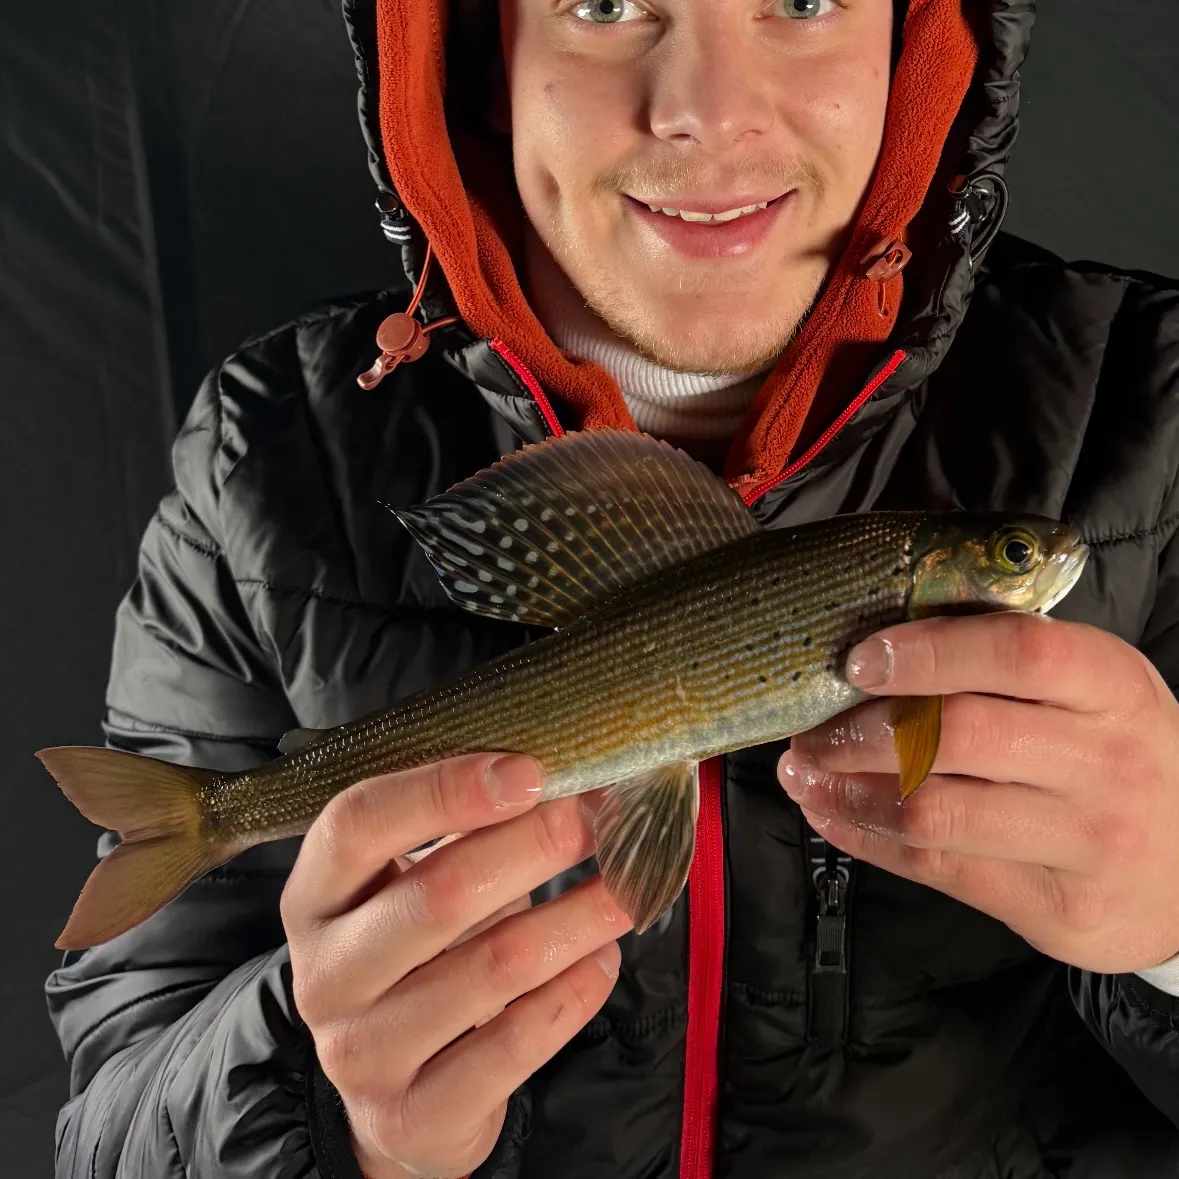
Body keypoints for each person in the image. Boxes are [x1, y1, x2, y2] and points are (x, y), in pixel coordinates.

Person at [44, 0, 1179, 1175]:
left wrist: (1177, 928)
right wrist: (333, 1115)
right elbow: (114, 1104)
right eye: (602, 1)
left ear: (917, 43)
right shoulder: (265, 458)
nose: (707, 110)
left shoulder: (1158, 408)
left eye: (801, 0)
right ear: (483, 54)